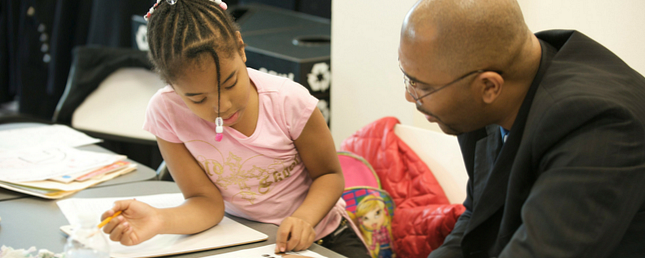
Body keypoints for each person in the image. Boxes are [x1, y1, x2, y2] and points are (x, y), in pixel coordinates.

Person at [99, 0, 369, 257]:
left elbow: (330, 175)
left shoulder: (289, 101)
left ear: (241, 48)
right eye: (197, 98)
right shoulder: (166, 112)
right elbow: (205, 203)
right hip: (241, 238)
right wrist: (159, 219)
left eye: (229, 83)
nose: (222, 106)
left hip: (325, 236)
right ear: (170, 85)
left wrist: (303, 219)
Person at [398, 0, 645, 257]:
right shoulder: (485, 92)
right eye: (407, 77)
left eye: (421, 86)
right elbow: (479, 218)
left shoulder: (598, 127)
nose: (409, 95)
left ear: (489, 87)